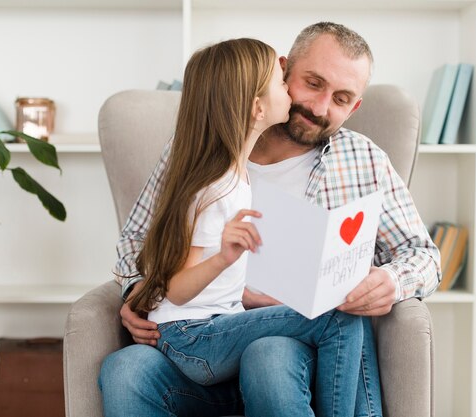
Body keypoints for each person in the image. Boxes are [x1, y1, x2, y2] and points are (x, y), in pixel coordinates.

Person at [99, 21, 441, 417]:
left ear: (355, 107)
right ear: (283, 70)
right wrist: (138, 292)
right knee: (124, 370)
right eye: (313, 83)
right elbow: (136, 240)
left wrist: (392, 281)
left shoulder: (363, 160)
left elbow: (424, 255)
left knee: (270, 355)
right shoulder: (199, 149)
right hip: (202, 338)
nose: (320, 107)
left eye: (341, 98)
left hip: (292, 352)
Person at [123, 36, 364, 417]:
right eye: (282, 82)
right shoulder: (216, 188)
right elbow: (177, 289)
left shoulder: (231, 178)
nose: (288, 90)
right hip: (193, 337)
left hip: (214, 326)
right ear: (257, 108)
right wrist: (223, 257)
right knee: (340, 319)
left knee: (340, 316)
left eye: (340, 97)